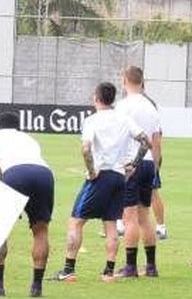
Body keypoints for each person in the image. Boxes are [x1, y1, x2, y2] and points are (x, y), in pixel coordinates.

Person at [54, 82, 151, 283]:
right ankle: (108, 272)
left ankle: (68, 269)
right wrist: (133, 164)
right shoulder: (124, 119)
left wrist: (91, 172)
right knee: (111, 225)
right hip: (119, 177)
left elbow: (86, 149)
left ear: (96, 98)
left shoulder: (92, 121)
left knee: (76, 221)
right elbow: (145, 141)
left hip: (100, 176)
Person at [0, 111, 54, 298]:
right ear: (18, 127)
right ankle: (36, 287)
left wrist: (4, 197)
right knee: (40, 230)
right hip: (44, 174)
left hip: (15, 174)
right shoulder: (29, 138)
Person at [115, 66, 162, 278]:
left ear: (124, 81)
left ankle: (130, 266)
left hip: (131, 164)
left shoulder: (122, 106)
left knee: (129, 216)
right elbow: (156, 140)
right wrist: (156, 166)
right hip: (149, 162)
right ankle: (151, 266)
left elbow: (117, 138)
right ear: (142, 82)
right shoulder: (151, 107)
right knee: (145, 216)